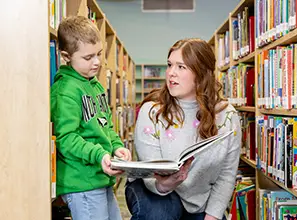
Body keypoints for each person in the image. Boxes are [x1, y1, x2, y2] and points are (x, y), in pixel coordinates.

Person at [125, 38, 242, 220]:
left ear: (201, 74)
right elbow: (149, 172)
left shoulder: (227, 116)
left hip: (200, 197)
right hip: (154, 190)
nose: (171, 73)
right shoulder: (152, 110)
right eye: (170, 65)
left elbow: (227, 174)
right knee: (159, 214)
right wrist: (165, 184)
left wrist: (213, 216)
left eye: (181, 67)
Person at [51, 16, 131, 220]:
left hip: (101, 177)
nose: (96, 63)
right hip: (81, 182)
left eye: (99, 54)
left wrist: (116, 146)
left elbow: (106, 125)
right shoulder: (65, 91)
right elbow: (66, 138)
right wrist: (99, 155)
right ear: (65, 56)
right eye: (88, 58)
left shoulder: (94, 85)